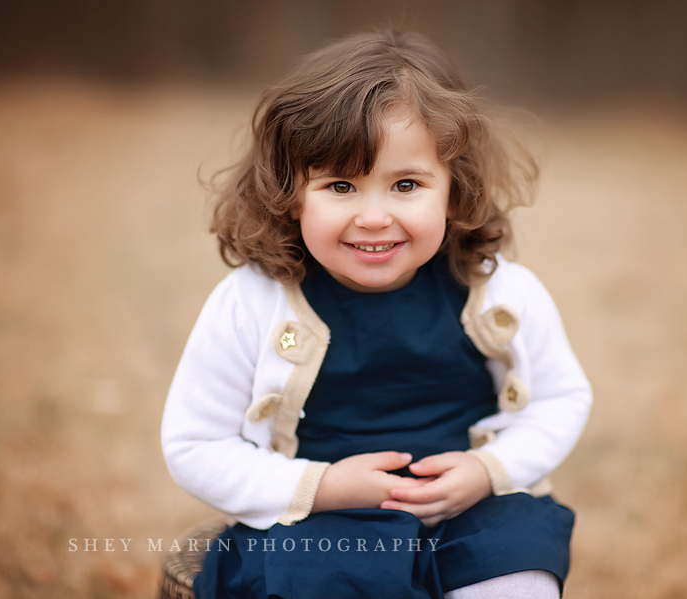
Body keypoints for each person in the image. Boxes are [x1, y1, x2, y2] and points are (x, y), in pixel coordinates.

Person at [161, 29, 592, 599]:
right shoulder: (251, 304)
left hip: (470, 510)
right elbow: (195, 446)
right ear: (292, 195)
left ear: (454, 194)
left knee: (519, 571)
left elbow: (561, 399)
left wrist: (488, 472)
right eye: (341, 185)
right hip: (323, 524)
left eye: (406, 185)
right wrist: (323, 487)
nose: (372, 217)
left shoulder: (500, 294)